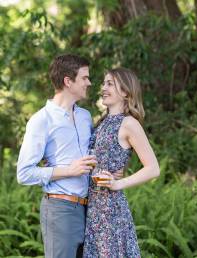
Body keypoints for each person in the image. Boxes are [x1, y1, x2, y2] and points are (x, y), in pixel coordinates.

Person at [17, 54, 122, 258]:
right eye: (84, 77)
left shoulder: (85, 116)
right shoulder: (41, 120)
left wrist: (111, 171)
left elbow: (92, 158)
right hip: (60, 210)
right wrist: (69, 171)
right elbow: (24, 173)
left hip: (92, 209)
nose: (89, 83)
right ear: (68, 81)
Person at [83, 67, 160, 258]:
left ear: (125, 92)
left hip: (109, 210)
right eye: (103, 83)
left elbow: (153, 168)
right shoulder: (101, 122)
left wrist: (119, 183)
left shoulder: (129, 124)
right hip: (91, 207)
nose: (103, 87)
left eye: (110, 83)